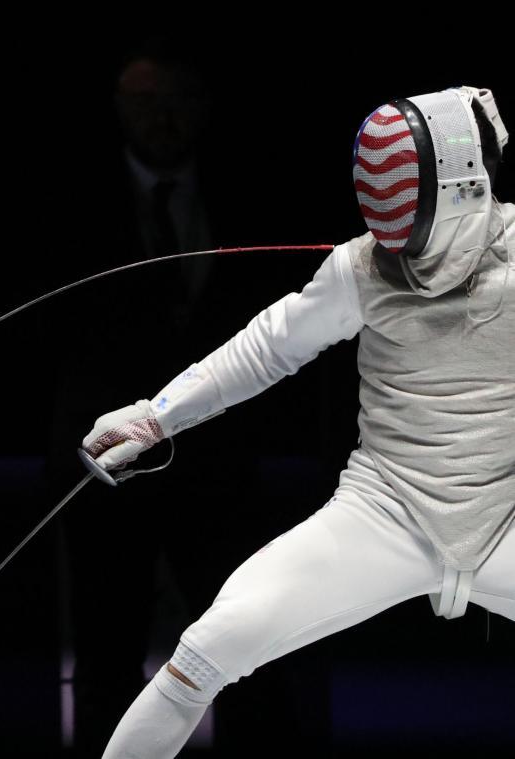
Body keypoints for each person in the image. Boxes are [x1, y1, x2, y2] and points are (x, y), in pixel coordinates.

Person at [81, 86, 513, 758]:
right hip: (384, 513)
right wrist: (155, 417)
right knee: (208, 645)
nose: (392, 236)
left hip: (506, 516)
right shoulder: (364, 266)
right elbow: (268, 347)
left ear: (458, 185)